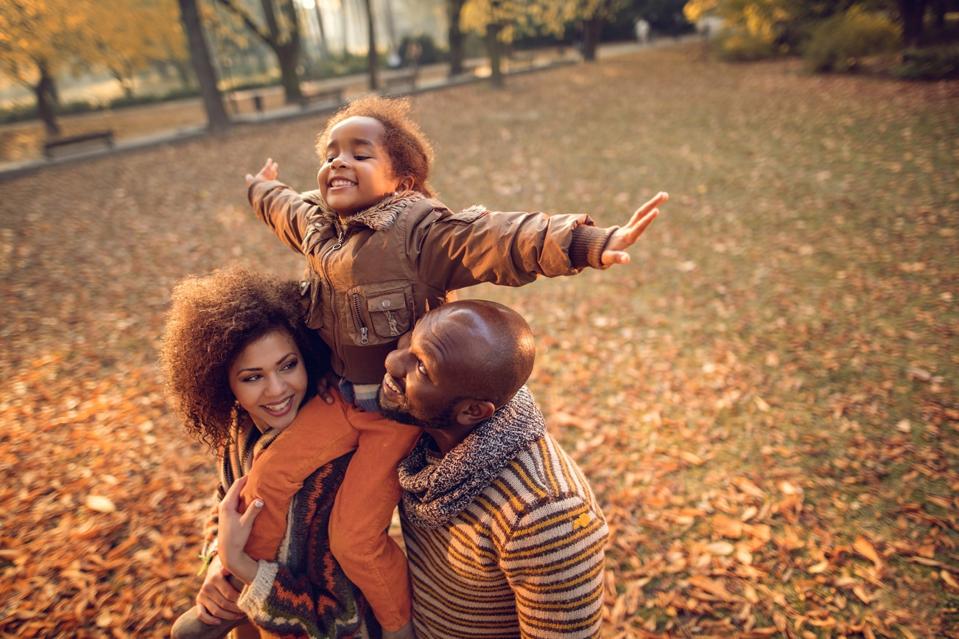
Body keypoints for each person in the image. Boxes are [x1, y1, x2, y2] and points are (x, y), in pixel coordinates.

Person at [238, 96, 665, 637]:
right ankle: (235, 593)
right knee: (268, 474)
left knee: (352, 534)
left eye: (360, 154)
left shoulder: (419, 234)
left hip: (393, 416)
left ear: (403, 182)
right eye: (330, 153)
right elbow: (284, 208)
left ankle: (393, 626)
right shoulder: (320, 228)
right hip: (339, 398)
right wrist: (259, 187)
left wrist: (586, 243)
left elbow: (497, 239)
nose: (338, 163)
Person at [161, 265, 378, 639]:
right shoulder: (239, 431)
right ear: (222, 383)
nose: (276, 390)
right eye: (252, 377)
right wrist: (216, 560)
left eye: (288, 366)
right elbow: (225, 502)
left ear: (307, 356)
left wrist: (243, 567)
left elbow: (338, 618)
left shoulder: (333, 465)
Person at [378, 299, 609, 638]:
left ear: (473, 412)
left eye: (422, 368)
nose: (393, 362)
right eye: (410, 343)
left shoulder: (544, 514)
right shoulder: (425, 437)